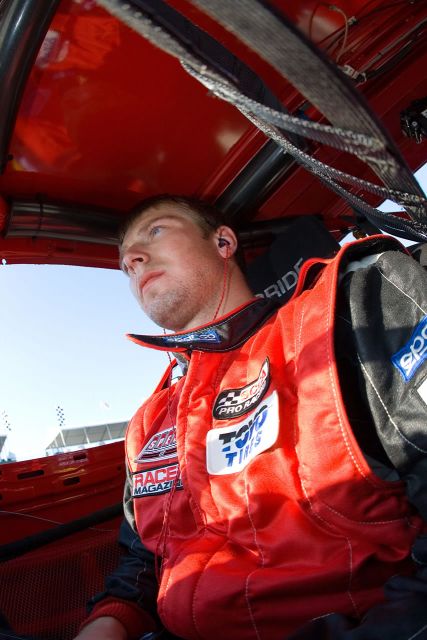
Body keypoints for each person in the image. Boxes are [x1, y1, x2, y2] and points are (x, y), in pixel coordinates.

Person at [75, 195, 427, 640]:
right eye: (125, 262)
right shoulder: (148, 422)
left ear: (223, 243)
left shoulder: (344, 312)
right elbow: (144, 562)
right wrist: (107, 624)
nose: (132, 259)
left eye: (156, 231)